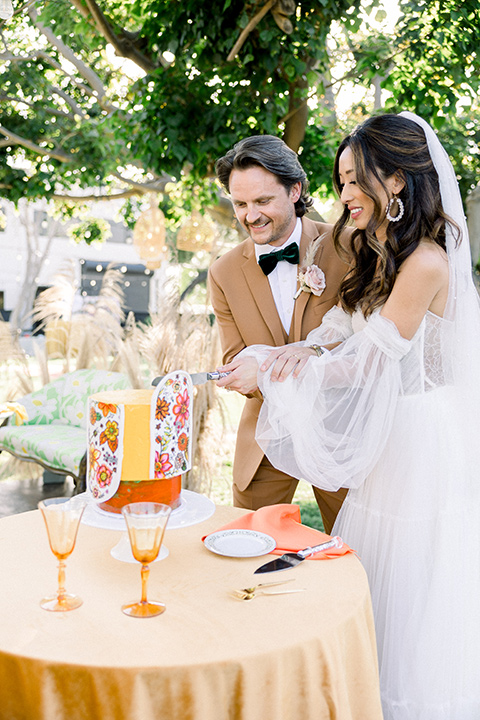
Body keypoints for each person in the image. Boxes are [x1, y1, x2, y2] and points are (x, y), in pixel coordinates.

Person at [223, 113, 480, 719]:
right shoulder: (381, 250)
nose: (342, 197)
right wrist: (299, 349)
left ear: (395, 180)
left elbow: (368, 363)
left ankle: (409, 700)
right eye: (338, 183)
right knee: (373, 569)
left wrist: (281, 374)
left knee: (412, 570)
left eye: (352, 182)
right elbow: (344, 326)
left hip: (421, 435)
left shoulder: (427, 262)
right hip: (392, 433)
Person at [208, 134, 350, 533]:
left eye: (263, 201)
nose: (250, 216)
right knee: (247, 548)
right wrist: (239, 375)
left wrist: (268, 367)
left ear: (295, 190)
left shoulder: (348, 246)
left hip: (340, 432)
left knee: (356, 553)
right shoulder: (222, 272)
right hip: (267, 435)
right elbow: (235, 358)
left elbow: (363, 342)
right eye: (240, 204)